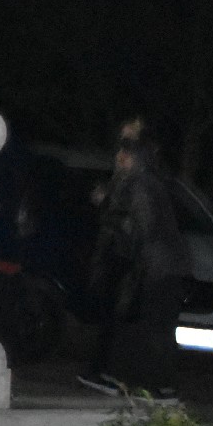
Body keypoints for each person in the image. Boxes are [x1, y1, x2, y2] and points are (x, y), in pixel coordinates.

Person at [82, 121, 192, 396]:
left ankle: (157, 387)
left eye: (126, 150)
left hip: (158, 267)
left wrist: (109, 209)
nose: (120, 157)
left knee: (155, 328)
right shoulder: (144, 181)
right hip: (157, 266)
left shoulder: (141, 182)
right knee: (148, 327)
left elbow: (145, 227)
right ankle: (149, 384)